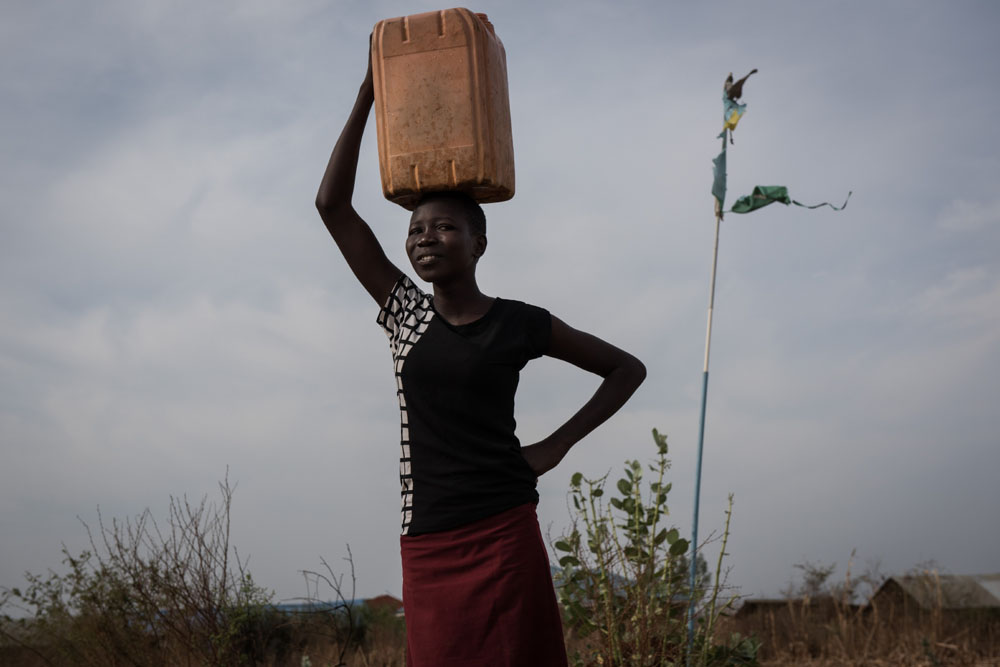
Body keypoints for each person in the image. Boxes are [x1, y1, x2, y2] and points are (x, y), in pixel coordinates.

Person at [315, 45, 646, 667]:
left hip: (504, 529)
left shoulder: (519, 323)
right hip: (429, 536)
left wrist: (555, 446)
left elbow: (627, 369)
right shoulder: (406, 315)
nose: (425, 238)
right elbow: (332, 207)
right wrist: (367, 96)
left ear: (478, 243)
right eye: (415, 230)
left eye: (443, 227)